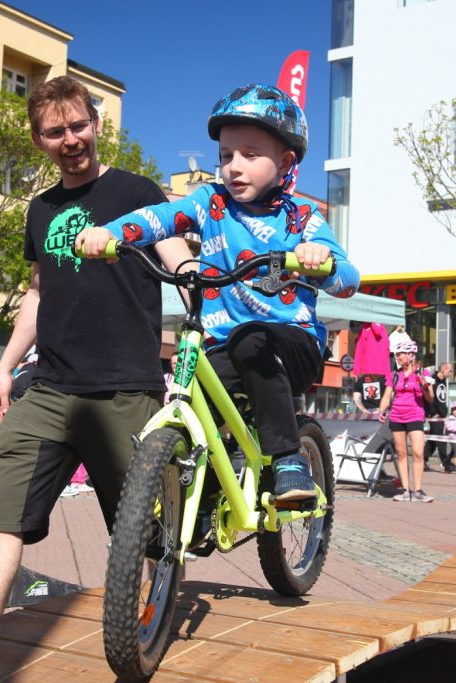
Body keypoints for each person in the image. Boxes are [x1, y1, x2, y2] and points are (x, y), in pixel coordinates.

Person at [0, 76, 192, 628]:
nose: (69, 140)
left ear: (95, 124)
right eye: (54, 132)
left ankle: (146, 629)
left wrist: (208, 302)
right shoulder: (40, 209)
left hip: (126, 389)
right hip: (49, 388)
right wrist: (5, 365)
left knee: (146, 529)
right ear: (38, 140)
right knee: (2, 509)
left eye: (78, 126)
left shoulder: (136, 193)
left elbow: (179, 260)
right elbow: (39, 292)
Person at [78, 83, 360, 502]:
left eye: (250, 154)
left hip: (292, 347)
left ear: (285, 162)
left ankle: (288, 459)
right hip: (224, 346)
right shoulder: (210, 202)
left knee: (251, 339)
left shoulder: (302, 218)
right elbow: (159, 217)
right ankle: (204, 498)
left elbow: (350, 279)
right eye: (226, 156)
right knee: (197, 395)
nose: (234, 167)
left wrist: (320, 259)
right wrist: (110, 233)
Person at [378, 339, 435, 502]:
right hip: (397, 416)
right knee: (401, 454)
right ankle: (405, 490)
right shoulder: (394, 375)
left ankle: (418, 491)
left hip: (415, 416)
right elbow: (387, 396)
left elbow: (430, 398)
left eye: (400, 354)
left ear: (410, 355)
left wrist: (425, 387)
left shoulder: (423, 373)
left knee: (418, 453)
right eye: (396, 354)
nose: (397, 357)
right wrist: (381, 410)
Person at [424, 362, 456, 472]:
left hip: (441, 415)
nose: (451, 373)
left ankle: (422, 459)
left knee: (433, 440)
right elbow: (429, 397)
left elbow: (441, 399)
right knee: (441, 439)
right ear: (443, 369)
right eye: (449, 371)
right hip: (435, 415)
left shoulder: (443, 382)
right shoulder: (432, 380)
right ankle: (446, 464)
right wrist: (432, 412)